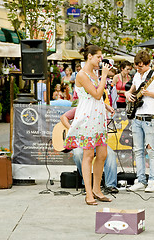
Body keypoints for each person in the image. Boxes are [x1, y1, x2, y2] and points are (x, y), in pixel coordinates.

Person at [63, 44, 112, 205]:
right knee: (88, 155)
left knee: (102, 154)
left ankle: (97, 189)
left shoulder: (94, 73)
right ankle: (88, 193)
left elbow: (94, 96)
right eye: (98, 56)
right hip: (87, 118)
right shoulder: (82, 74)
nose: (101, 60)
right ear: (89, 56)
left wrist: (106, 106)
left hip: (98, 116)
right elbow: (97, 94)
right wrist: (104, 76)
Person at [125, 50, 154, 192]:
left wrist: (149, 93)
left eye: (141, 66)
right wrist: (127, 94)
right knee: (138, 150)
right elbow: (131, 90)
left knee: (151, 150)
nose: (138, 68)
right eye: (137, 66)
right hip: (136, 117)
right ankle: (141, 179)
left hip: (149, 117)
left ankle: (152, 180)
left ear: (148, 64)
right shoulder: (137, 75)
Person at [60, 107, 119, 194]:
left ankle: (110, 185)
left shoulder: (101, 111)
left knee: (111, 154)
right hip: (82, 143)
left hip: (97, 143)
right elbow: (63, 117)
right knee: (78, 154)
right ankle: (87, 183)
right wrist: (72, 128)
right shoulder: (80, 107)